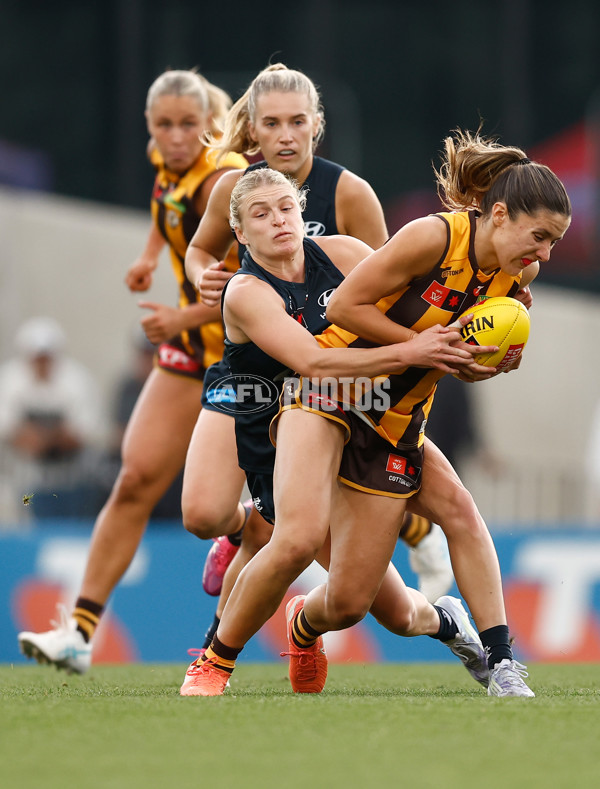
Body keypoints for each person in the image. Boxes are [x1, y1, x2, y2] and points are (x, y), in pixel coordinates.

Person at [188, 130, 571, 698]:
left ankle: (310, 623)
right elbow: (344, 311)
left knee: (353, 601)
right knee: (293, 538)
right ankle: (214, 663)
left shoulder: (519, 276)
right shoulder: (431, 237)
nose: (544, 255)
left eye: (553, 243)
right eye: (539, 237)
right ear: (498, 215)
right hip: (326, 396)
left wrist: (481, 362)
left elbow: (444, 341)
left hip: (396, 421)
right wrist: (414, 349)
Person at [182, 63, 453, 654]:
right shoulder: (232, 189)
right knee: (204, 513)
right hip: (252, 378)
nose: (284, 135)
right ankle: (240, 539)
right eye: (272, 123)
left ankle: (226, 642)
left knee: (353, 591)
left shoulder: (350, 196)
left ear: (317, 127)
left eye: (297, 122)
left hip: (327, 396)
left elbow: (393, 286)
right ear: (251, 129)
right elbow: (200, 249)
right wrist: (205, 278)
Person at [17, 69, 248, 673]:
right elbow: (162, 207)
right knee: (134, 479)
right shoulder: (167, 163)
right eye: (163, 125)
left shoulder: (221, 183)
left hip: (240, 354)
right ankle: (79, 633)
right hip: (189, 354)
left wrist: (179, 318)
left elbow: (245, 284)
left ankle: (253, 527)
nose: (174, 138)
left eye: (186, 126)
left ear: (208, 127)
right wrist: (148, 258)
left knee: (215, 514)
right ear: (149, 126)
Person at [0, 316, 104, 519]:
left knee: (70, 519)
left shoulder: (77, 380)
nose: (42, 364)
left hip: (72, 479)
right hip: (26, 479)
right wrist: (50, 436)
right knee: (25, 511)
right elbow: (10, 431)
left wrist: (41, 437)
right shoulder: (10, 380)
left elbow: (83, 433)